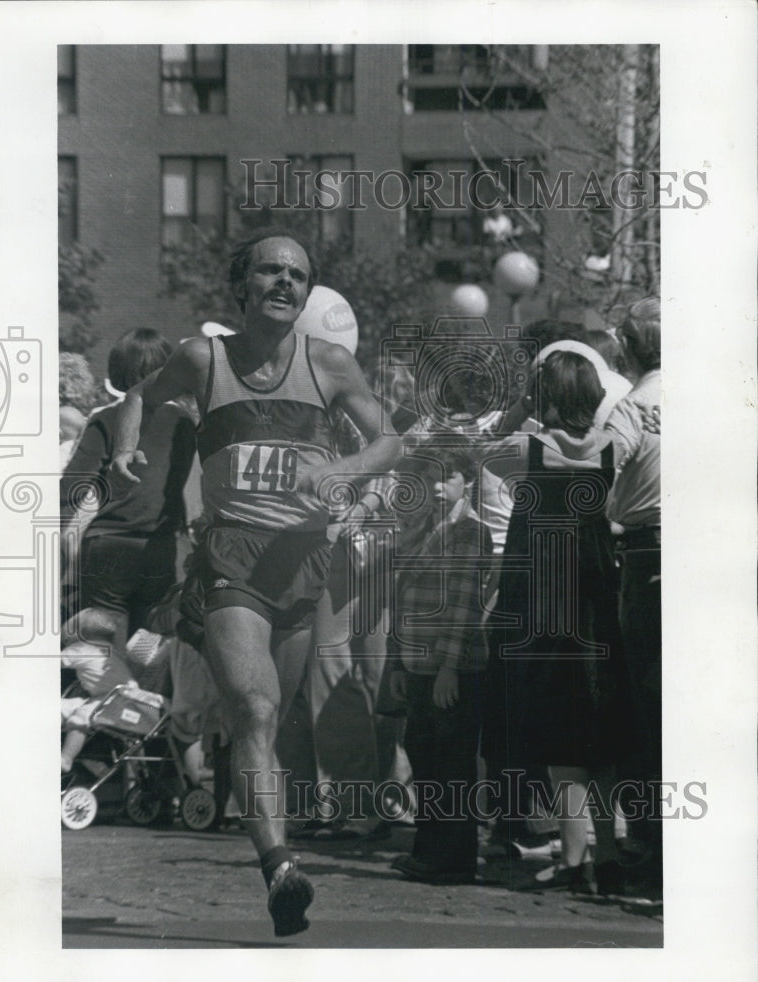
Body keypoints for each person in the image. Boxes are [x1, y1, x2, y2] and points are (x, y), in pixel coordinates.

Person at [108, 229, 402, 936]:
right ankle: (279, 868)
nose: (284, 283)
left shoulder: (328, 363)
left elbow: (391, 439)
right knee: (257, 708)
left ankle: (274, 847)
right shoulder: (202, 358)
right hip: (232, 559)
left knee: (274, 719)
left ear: (307, 291)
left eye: (297, 275)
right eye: (269, 271)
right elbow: (135, 398)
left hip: (303, 562)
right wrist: (124, 447)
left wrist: (341, 471)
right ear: (241, 287)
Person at [482, 351, 631, 895]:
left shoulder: (529, 448)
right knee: (600, 730)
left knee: (558, 734)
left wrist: (520, 405)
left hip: (545, 603)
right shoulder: (612, 449)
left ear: (545, 395)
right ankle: (608, 857)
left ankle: (572, 861)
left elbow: (478, 450)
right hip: (595, 600)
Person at [386, 438, 493, 884]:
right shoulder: (418, 527)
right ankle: (429, 849)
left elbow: (465, 601)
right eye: (430, 477)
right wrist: (395, 661)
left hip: (452, 666)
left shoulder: (470, 530)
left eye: (446, 477)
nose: (436, 486)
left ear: (466, 482)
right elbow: (400, 598)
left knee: (452, 763)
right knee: (423, 754)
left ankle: (454, 857)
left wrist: (449, 667)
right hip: (416, 661)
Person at [61, 328, 197, 655]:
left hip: (107, 544)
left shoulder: (106, 419)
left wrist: (68, 544)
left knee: (99, 647)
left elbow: (71, 488)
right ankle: (140, 700)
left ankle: (100, 698)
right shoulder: (186, 424)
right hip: (160, 545)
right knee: (145, 643)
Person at [604, 296, 662, 895]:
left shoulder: (634, 407)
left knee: (647, 709)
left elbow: (595, 478)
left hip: (648, 559)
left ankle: (651, 849)